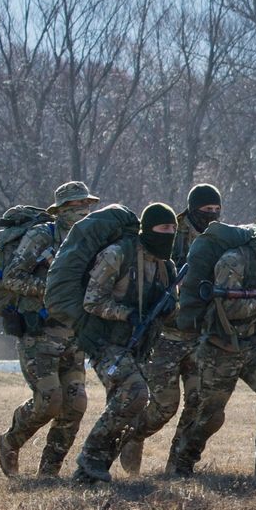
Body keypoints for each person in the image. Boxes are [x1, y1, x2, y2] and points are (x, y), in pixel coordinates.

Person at [171, 211, 256, 477]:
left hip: (251, 347)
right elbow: (227, 308)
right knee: (211, 415)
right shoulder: (233, 260)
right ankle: (182, 462)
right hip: (219, 347)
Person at [118, 183, 221, 475]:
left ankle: (177, 466)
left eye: (216, 209)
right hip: (166, 334)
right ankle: (133, 436)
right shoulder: (170, 233)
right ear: (192, 208)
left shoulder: (218, 238)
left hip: (199, 335)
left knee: (199, 402)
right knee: (164, 406)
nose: (212, 214)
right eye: (206, 209)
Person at [0, 181, 97, 477]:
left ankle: (49, 472)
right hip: (39, 332)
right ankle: (10, 441)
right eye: (77, 206)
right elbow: (11, 278)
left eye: (86, 205)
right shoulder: (42, 236)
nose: (83, 211)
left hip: (73, 333)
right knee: (49, 401)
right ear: (61, 210)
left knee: (76, 403)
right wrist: (53, 289)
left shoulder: (89, 239)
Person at [72, 202, 179, 484]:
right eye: (163, 228)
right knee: (135, 393)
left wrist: (169, 308)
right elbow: (92, 301)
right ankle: (90, 456)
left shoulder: (166, 266)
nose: (169, 233)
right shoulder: (118, 255)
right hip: (104, 340)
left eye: (173, 229)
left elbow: (172, 308)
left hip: (138, 346)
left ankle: (90, 474)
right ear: (148, 229)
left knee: (126, 407)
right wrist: (125, 313)